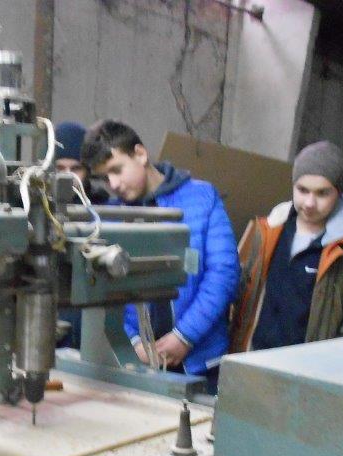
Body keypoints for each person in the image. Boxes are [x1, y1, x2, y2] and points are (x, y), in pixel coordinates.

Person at [81, 120, 238, 393]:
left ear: (140, 154)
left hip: (199, 363)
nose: (113, 184)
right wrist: (133, 343)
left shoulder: (202, 198)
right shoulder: (109, 218)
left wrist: (185, 336)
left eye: (116, 170)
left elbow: (223, 273)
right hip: (137, 363)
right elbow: (103, 289)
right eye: (104, 178)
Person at [230, 140, 343, 352]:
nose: (309, 203)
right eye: (302, 190)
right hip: (255, 355)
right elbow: (244, 293)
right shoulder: (270, 229)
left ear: (339, 192)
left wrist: (331, 361)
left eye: (322, 193)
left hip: (307, 364)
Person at [54, 121, 109, 204]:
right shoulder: (35, 206)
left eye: (75, 169)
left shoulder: (102, 206)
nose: (68, 175)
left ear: (87, 172)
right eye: (59, 168)